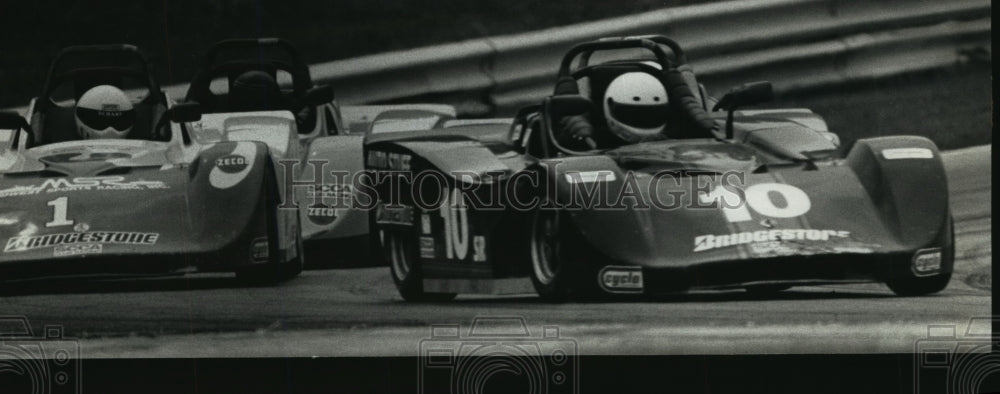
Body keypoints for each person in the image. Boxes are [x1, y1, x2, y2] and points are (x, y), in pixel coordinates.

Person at [558, 71, 670, 149]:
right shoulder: (592, 139)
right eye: (635, 115)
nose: (644, 120)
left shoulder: (674, 133)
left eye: (652, 114)